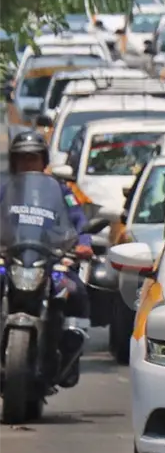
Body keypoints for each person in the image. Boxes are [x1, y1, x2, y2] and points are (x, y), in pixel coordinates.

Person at [2, 132, 94, 388]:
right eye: (22, 159)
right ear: (14, 162)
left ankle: (69, 359)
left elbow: (79, 221)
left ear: (43, 161)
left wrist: (84, 244)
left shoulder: (62, 192)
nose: (27, 164)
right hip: (11, 259)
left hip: (49, 261)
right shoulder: (4, 190)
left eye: (32, 158)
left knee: (75, 291)